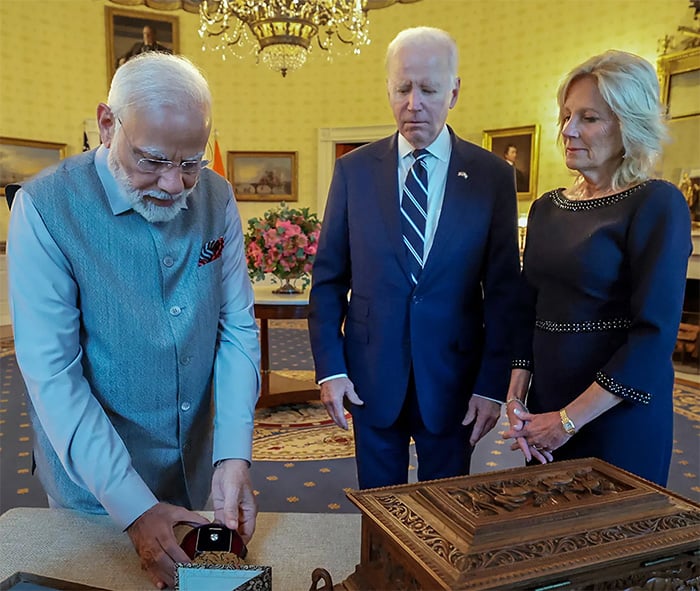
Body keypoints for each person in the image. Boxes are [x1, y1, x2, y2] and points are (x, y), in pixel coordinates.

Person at [7, 53, 261, 589]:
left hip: (194, 466)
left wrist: (233, 452)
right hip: (92, 491)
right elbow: (54, 376)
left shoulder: (217, 196)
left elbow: (236, 326)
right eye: (152, 161)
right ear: (106, 124)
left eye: (191, 163)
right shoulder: (44, 208)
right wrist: (133, 507)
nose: (174, 184)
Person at [308, 27, 520, 490]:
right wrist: (332, 368)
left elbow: (504, 295)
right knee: (379, 508)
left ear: (454, 92)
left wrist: (490, 385)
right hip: (369, 376)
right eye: (402, 88)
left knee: (446, 513)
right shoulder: (353, 172)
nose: (413, 103)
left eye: (428, 89)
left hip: (454, 381)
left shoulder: (492, 177)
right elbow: (327, 281)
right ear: (388, 88)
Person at [502, 50, 692, 486]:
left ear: (629, 125)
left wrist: (568, 421)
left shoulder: (657, 203)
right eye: (566, 115)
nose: (568, 130)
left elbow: (653, 335)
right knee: (551, 534)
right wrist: (516, 396)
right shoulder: (547, 207)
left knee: (611, 544)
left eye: (588, 118)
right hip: (547, 406)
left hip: (618, 415)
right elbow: (526, 309)